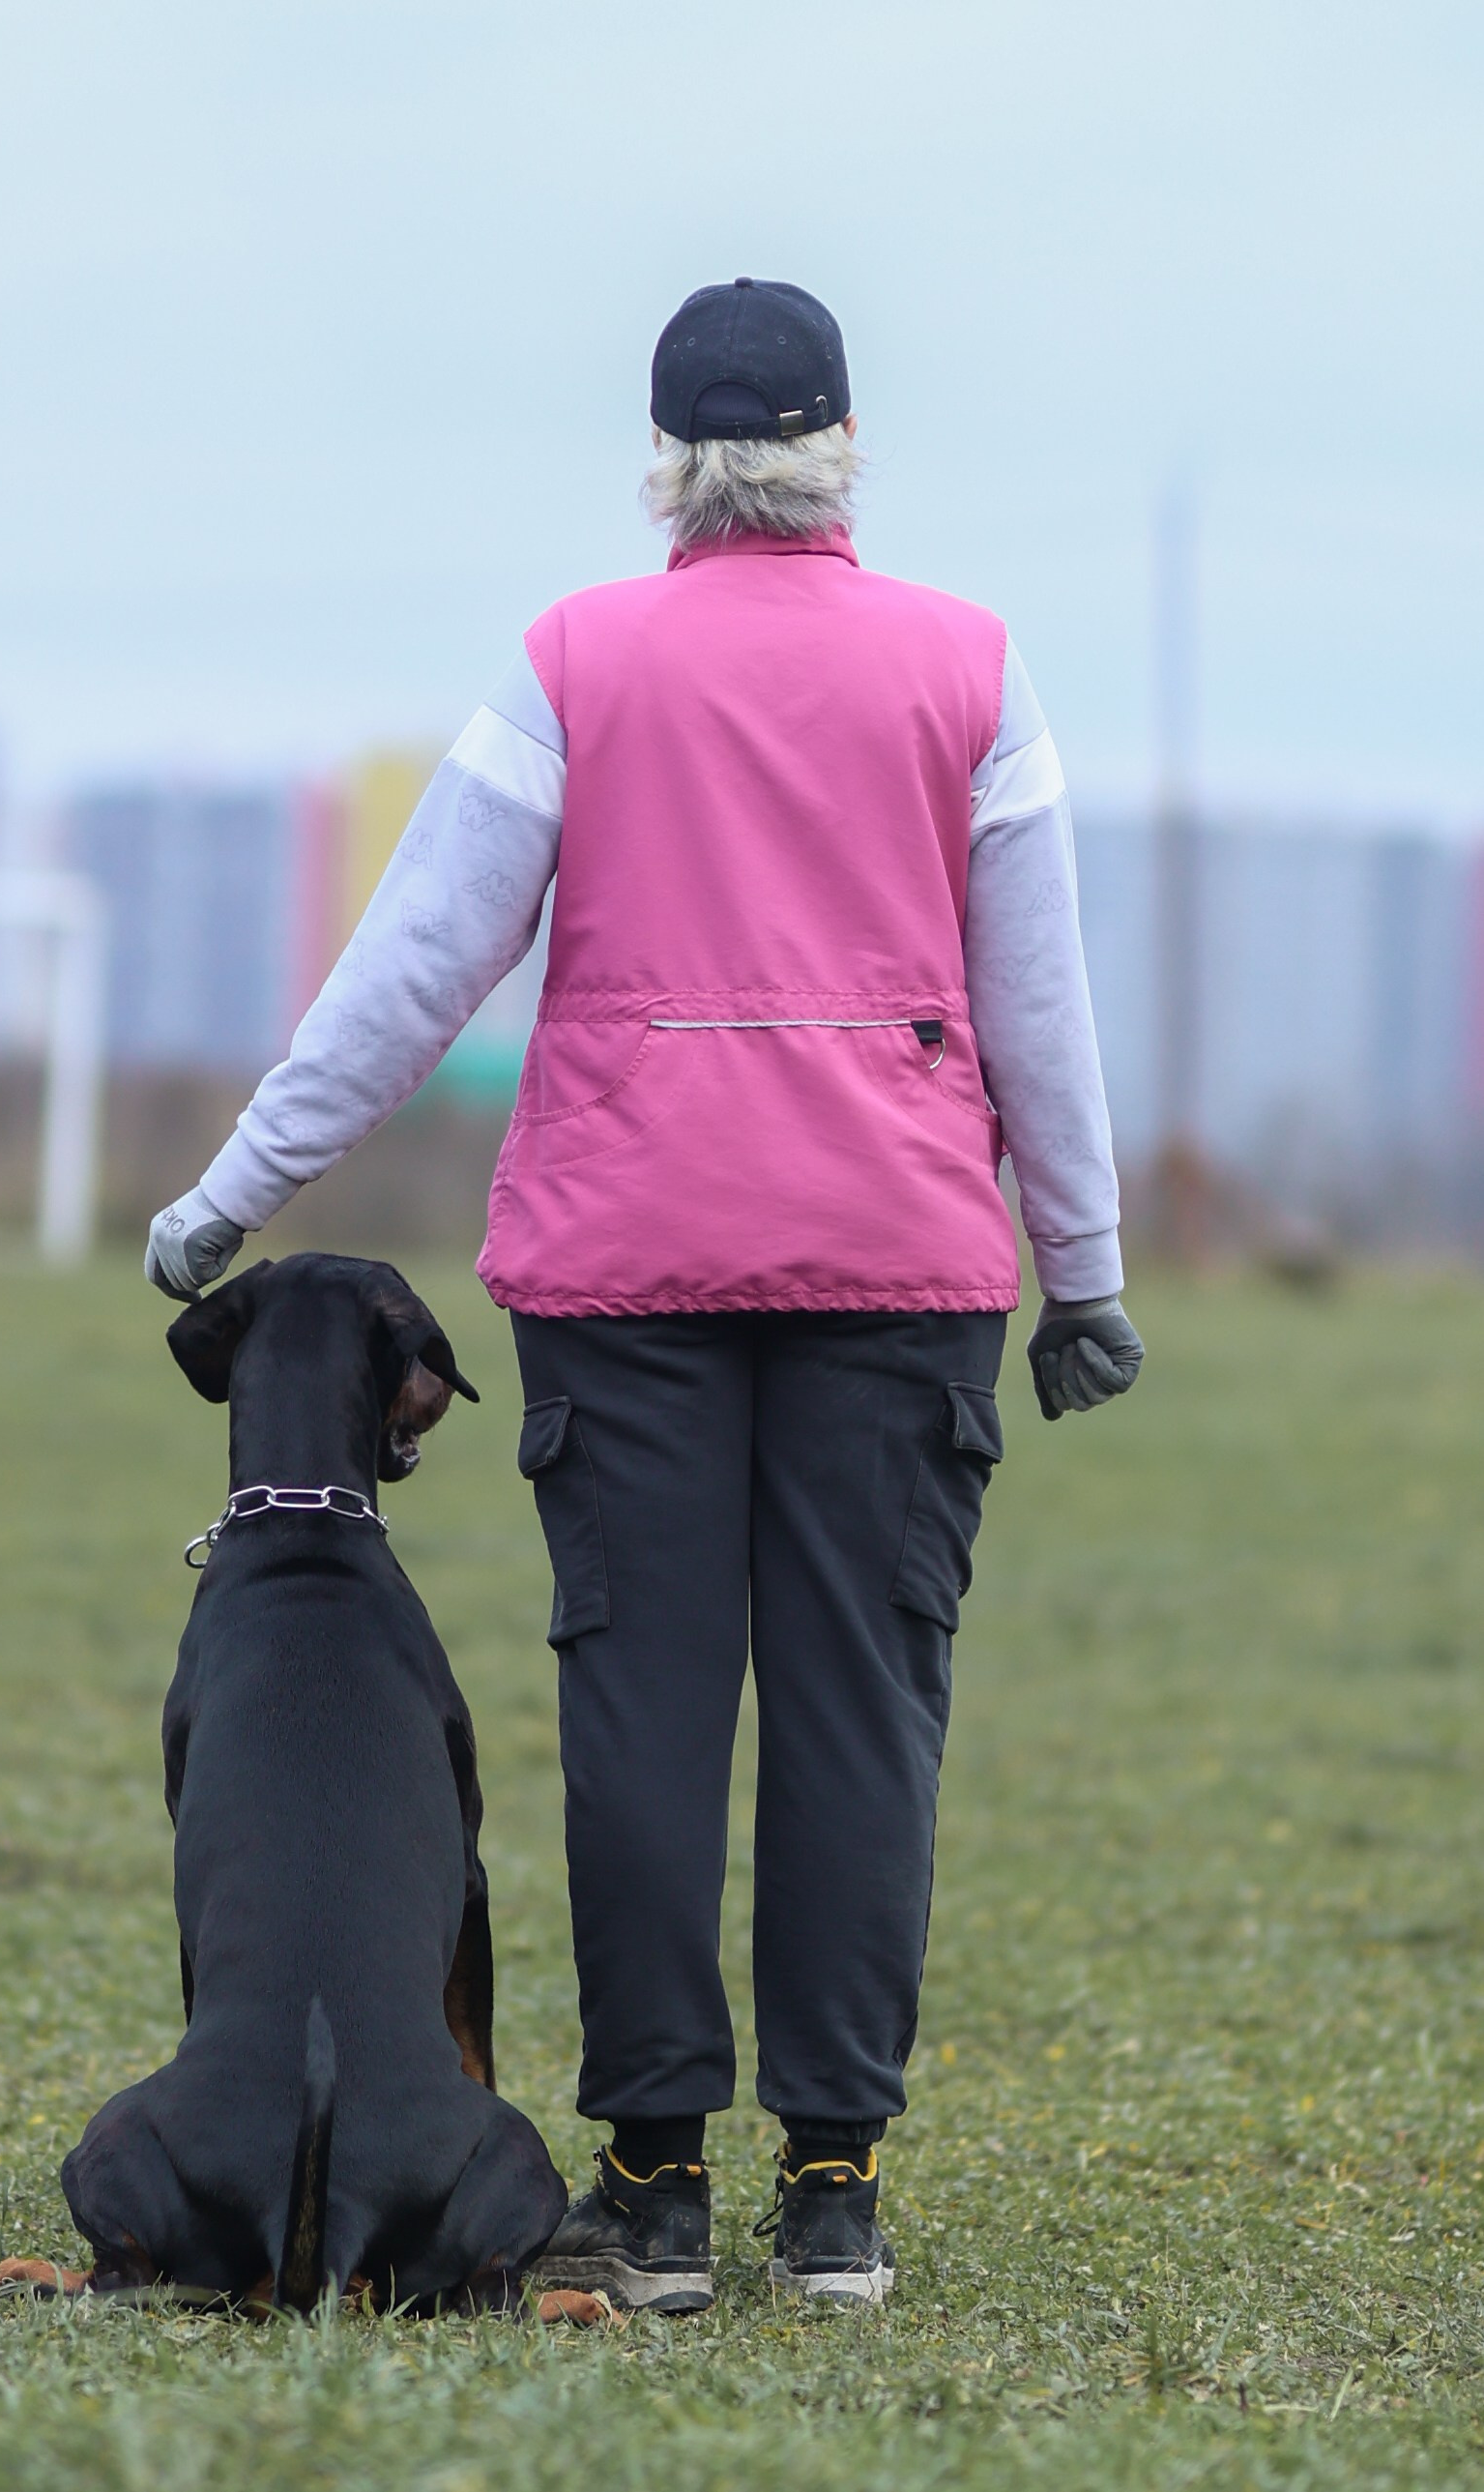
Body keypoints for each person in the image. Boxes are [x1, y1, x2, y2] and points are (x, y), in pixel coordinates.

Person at [145, 279, 1142, 2311]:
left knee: (642, 1719)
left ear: (671, 458)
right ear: (844, 445)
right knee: (869, 1717)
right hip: (904, 1267)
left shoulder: (575, 664)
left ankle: (659, 2183)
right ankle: (837, 2187)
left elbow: (414, 966)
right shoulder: (971, 669)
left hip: (627, 1274)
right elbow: (1039, 1002)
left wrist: (232, 1189)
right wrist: (1086, 1270)